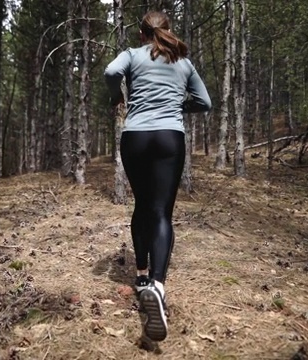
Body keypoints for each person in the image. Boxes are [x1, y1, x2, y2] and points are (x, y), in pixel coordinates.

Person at [103, 10, 212, 342]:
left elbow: (111, 71)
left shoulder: (132, 54)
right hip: (168, 137)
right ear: (168, 31)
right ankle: (158, 286)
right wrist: (179, 107)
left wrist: (117, 96)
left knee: (142, 205)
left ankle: (140, 277)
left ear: (141, 34)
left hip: (135, 136)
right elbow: (205, 103)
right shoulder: (183, 63)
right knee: (162, 212)